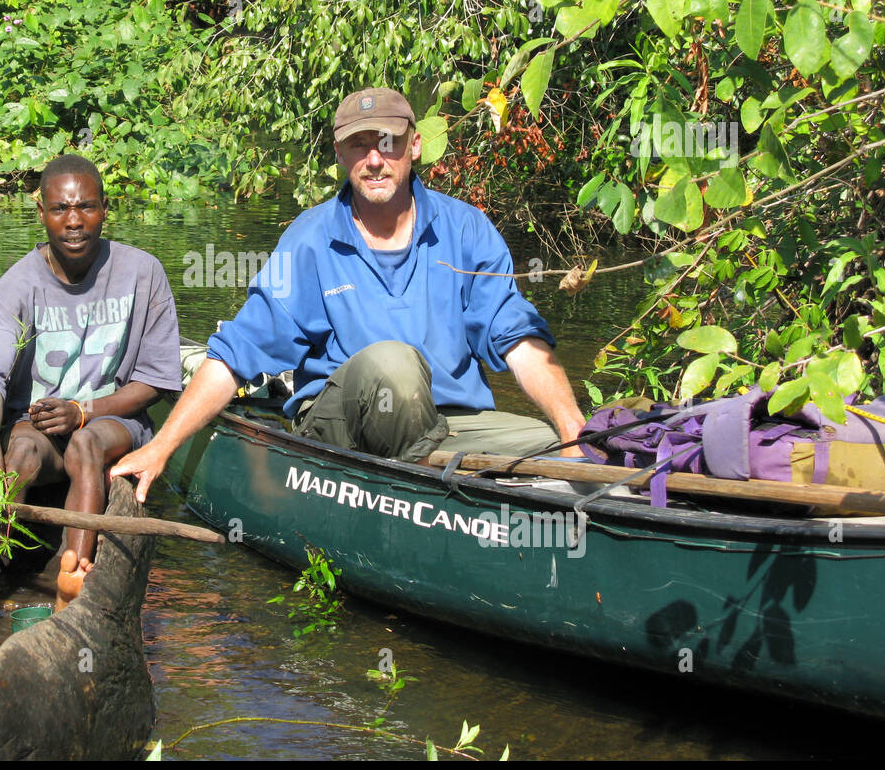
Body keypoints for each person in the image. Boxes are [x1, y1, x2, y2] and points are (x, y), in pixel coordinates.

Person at [112, 86, 586, 503]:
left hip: (454, 423)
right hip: (342, 426)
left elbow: (517, 338)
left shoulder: (467, 229)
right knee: (393, 367)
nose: (375, 158)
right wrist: (160, 446)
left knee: (572, 450)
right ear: (340, 155)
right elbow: (239, 351)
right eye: (359, 146)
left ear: (415, 146)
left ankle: (472, 479)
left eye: (388, 143)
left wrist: (572, 429)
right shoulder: (309, 239)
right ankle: (438, 499)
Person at [0, 154, 181, 629]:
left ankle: (73, 575)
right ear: (42, 214)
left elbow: (156, 381)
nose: (74, 221)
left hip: (111, 424)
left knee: (85, 443)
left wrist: (82, 409)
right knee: (23, 449)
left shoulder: (143, 272)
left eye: (86, 207)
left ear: (105, 209)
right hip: (39, 433)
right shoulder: (17, 284)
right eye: (60, 209)